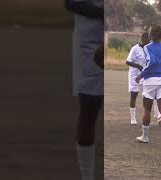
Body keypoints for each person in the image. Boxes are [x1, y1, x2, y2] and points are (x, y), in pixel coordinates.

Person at [65, 0, 103, 180]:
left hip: (123, 34)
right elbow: (71, 2)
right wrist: (102, 13)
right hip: (89, 42)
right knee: (88, 109)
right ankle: (87, 176)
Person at [135, 25, 161, 144]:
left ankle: (145, 137)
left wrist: (141, 75)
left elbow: (151, 62)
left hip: (151, 81)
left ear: (150, 36)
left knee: (147, 110)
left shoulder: (147, 47)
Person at [126, 32, 161, 126]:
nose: (148, 41)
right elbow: (128, 61)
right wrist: (138, 66)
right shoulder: (135, 48)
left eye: (149, 40)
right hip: (134, 75)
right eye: (146, 40)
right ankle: (133, 118)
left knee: (151, 95)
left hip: (144, 75)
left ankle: (158, 115)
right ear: (142, 39)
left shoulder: (149, 49)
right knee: (134, 95)